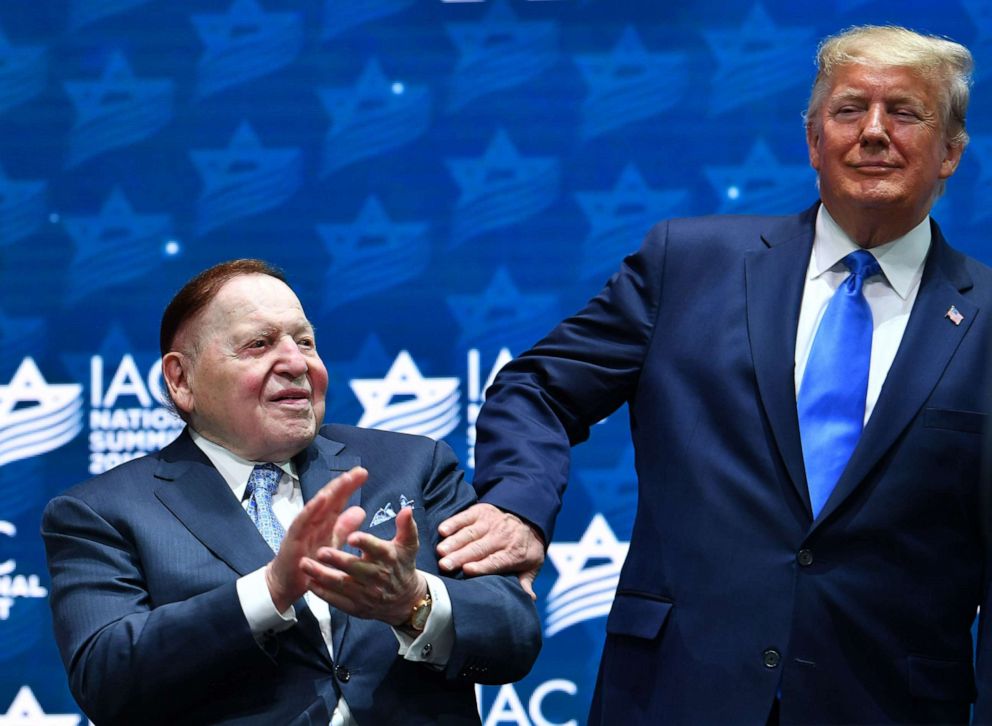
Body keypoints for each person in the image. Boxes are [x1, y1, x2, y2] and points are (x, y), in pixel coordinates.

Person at [436, 25, 992, 724]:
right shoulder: (688, 265)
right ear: (814, 140)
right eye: (849, 110)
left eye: (905, 112)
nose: (874, 132)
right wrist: (519, 501)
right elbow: (537, 387)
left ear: (951, 152)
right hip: (674, 692)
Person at [42, 259, 541, 726]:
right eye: (259, 344)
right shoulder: (103, 513)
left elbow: (514, 635)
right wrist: (271, 589)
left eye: (304, 343)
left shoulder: (412, 465)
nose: (296, 364)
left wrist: (413, 601)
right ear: (181, 379)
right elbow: (106, 679)